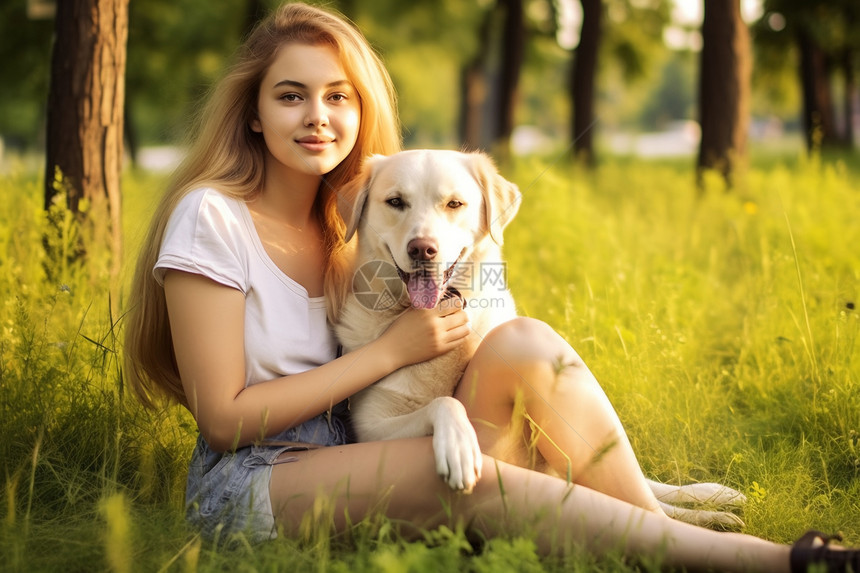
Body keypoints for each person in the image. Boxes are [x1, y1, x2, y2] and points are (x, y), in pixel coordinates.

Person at [124, 3, 858, 571]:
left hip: (364, 444)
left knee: (526, 340)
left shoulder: (361, 212)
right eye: (291, 96)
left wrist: (475, 289)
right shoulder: (212, 217)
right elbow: (222, 419)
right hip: (259, 481)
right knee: (464, 479)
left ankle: (652, 519)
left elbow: (480, 292)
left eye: (337, 97)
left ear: (359, 108)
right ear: (253, 111)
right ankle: (767, 560)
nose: (318, 117)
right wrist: (393, 353)